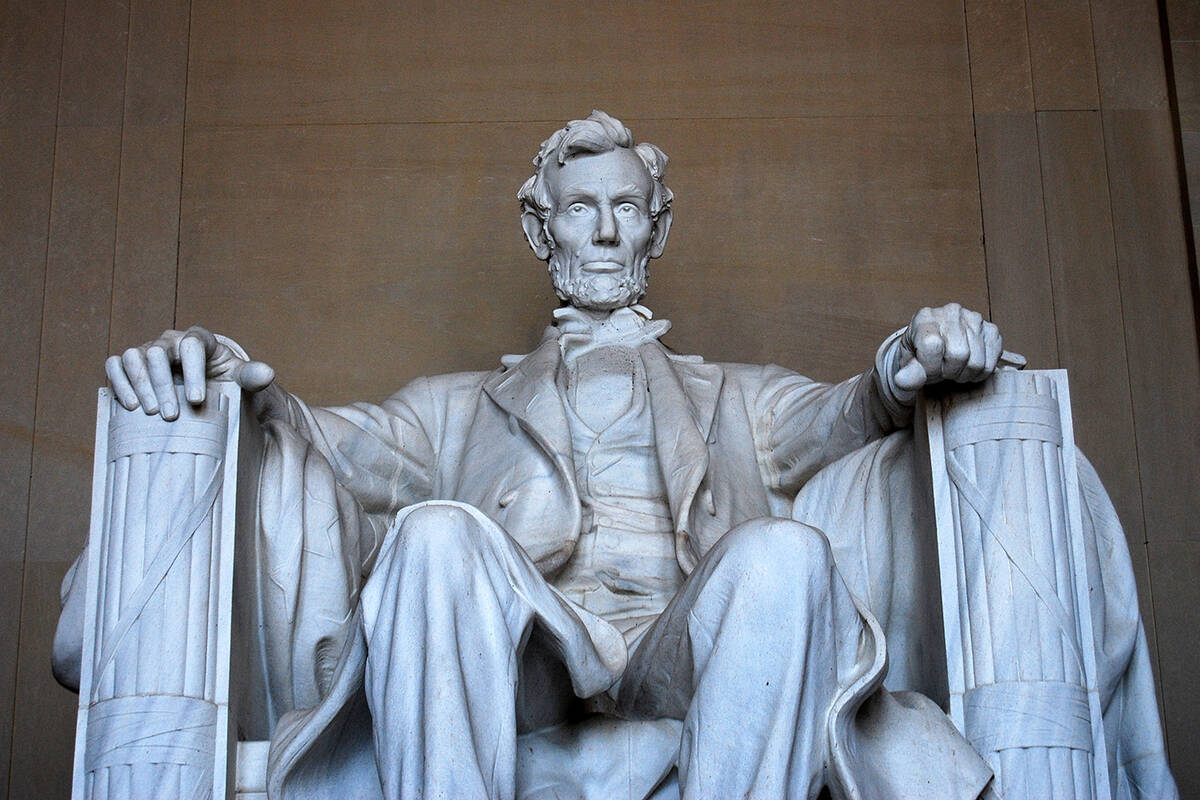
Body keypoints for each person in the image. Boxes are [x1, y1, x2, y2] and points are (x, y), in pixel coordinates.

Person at [80, 111, 1170, 799]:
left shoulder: (735, 398)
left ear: (656, 228)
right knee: (435, 532)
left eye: (626, 211)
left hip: (678, 645)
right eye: (579, 211)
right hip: (528, 669)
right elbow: (313, 434)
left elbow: (849, 411)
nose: (603, 232)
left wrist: (911, 355)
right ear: (539, 231)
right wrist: (219, 371)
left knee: (785, 555)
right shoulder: (452, 410)